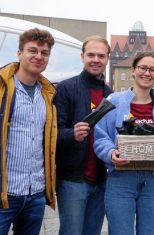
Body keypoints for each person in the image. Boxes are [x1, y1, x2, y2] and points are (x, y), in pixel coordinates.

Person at [94, 51, 154, 235]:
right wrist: (110, 154)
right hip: (121, 179)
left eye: (152, 70)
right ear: (133, 70)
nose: (147, 73)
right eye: (142, 68)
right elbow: (100, 136)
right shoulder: (113, 101)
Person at [54, 35, 113, 235]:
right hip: (73, 180)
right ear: (82, 56)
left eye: (101, 56)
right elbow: (52, 134)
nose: (96, 59)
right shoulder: (65, 88)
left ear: (107, 59)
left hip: (101, 179)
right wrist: (72, 134)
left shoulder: (110, 94)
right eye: (91, 55)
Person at [0, 28, 57, 235]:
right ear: (19, 53)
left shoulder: (48, 95)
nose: (38, 56)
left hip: (35, 193)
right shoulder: (2, 88)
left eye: (44, 53)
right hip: (4, 192)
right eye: (32, 50)